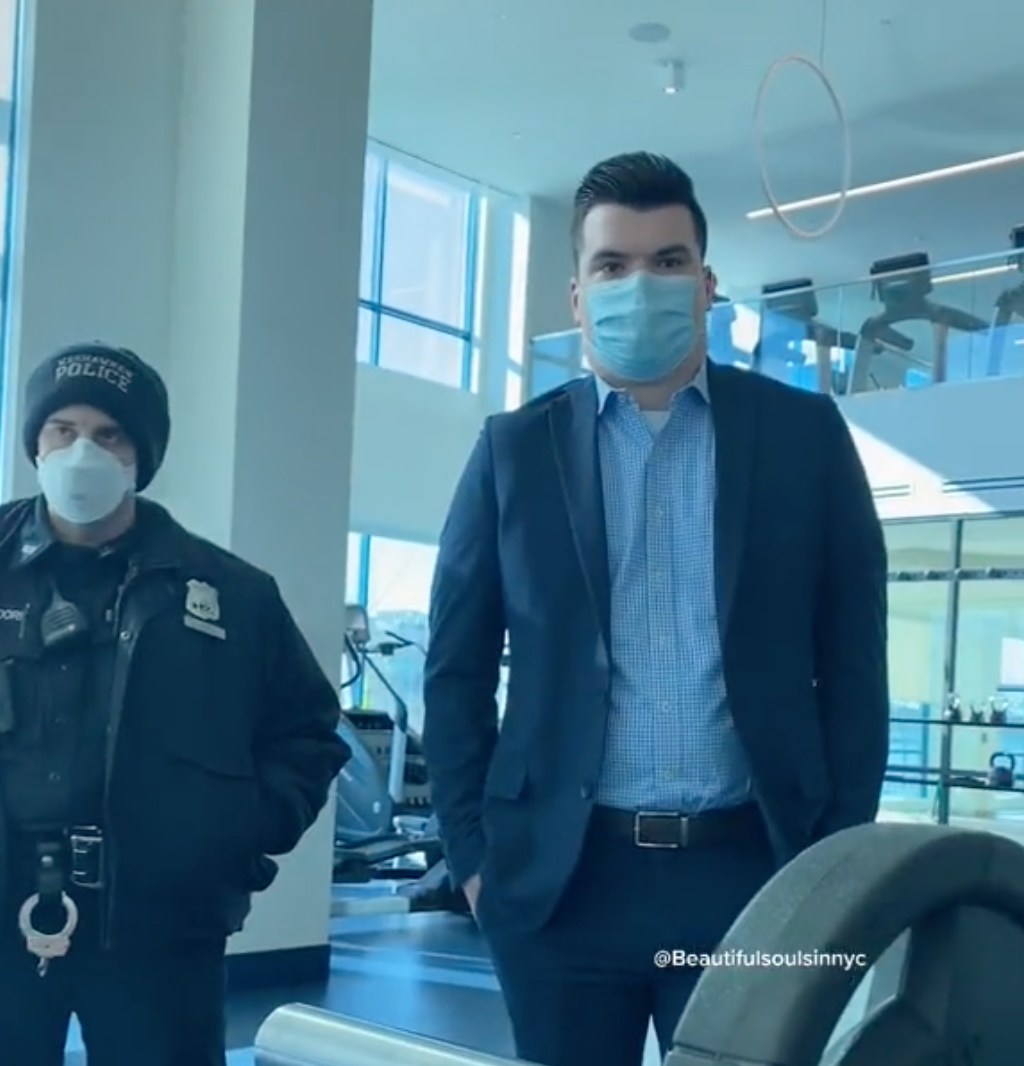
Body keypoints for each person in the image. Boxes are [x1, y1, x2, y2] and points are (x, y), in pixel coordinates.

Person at [423, 153, 888, 1066]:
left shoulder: (804, 439)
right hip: (562, 884)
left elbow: (855, 667)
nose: (642, 284)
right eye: (614, 266)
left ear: (708, 284)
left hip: (752, 876)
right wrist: (476, 862)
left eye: (668, 261)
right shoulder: (514, 452)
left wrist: (834, 868)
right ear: (577, 295)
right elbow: (457, 670)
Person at [0, 342, 350, 1066]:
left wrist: (230, 839)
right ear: (35, 442)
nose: (82, 451)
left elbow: (308, 734)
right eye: (62, 430)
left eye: (109, 434)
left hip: (159, 931)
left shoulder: (232, 595)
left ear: (141, 455)